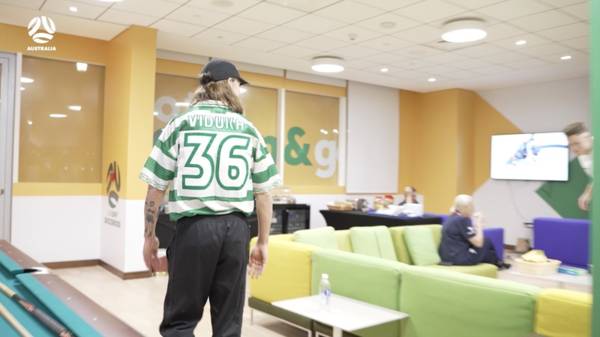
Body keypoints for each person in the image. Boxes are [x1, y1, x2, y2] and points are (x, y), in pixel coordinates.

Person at [140, 59, 281, 337]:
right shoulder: (249, 129)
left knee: (180, 321)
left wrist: (149, 236)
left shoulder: (180, 124)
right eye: (238, 84)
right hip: (236, 232)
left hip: (193, 231)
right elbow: (264, 192)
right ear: (229, 84)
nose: (239, 90)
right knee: (228, 324)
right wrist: (262, 241)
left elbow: (155, 187)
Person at [439, 195, 508, 269]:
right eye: (471, 206)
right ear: (465, 207)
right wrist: (479, 224)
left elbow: (468, 236)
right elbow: (478, 243)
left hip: (446, 257)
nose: (473, 209)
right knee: (486, 241)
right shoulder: (463, 220)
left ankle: (497, 263)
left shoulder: (451, 217)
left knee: (485, 249)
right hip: (459, 259)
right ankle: (497, 263)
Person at [563, 122, 593, 211]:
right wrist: (587, 193)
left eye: (576, 143)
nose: (573, 149)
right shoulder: (582, 155)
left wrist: (588, 194)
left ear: (588, 137)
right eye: (570, 145)